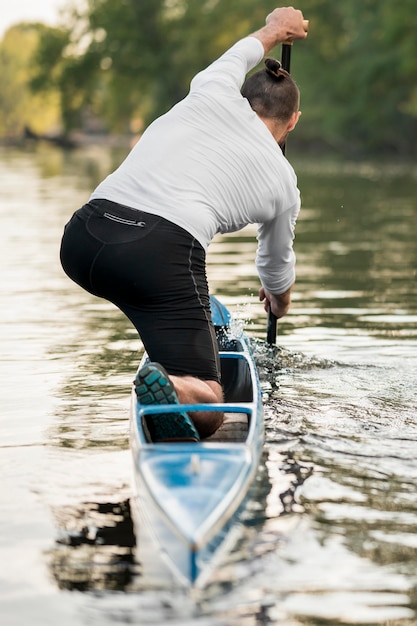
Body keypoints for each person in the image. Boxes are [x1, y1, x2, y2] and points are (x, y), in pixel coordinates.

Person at [60, 7, 308, 442]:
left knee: (146, 293)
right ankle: (175, 385)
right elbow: (274, 269)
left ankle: (166, 361)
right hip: (157, 255)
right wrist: (279, 301)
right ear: (293, 122)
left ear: (246, 98)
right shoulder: (284, 183)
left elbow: (244, 49)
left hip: (83, 237)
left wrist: (274, 30)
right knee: (211, 403)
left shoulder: (212, 86)